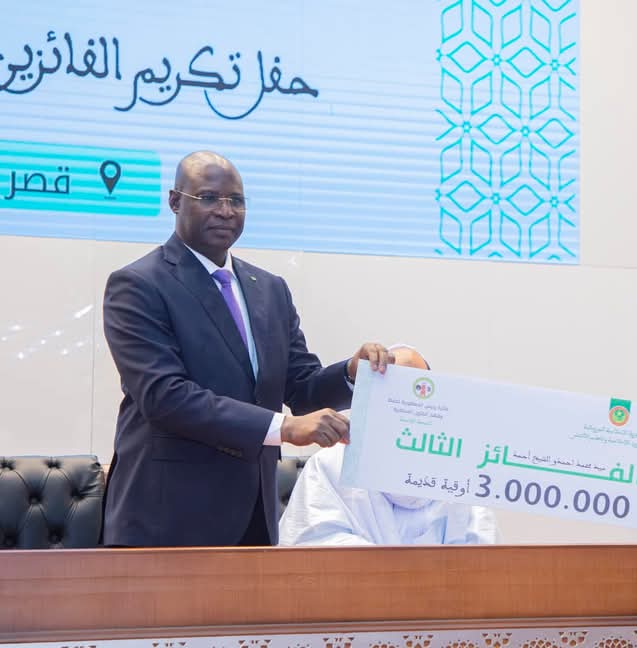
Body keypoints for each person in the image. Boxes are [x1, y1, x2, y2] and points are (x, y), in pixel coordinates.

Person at [101, 150, 394, 547]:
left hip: (253, 516)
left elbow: (301, 387)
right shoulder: (138, 284)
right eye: (208, 198)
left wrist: (351, 373)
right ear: (174, 201)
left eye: (236, 200)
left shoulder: (270, 289)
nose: (225, 211)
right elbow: (165, 396)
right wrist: (283, 428)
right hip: (166, 519)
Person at [278, 345, 499, 546]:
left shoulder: (460, 471)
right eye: (398, 389)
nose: (410, 403)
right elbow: (314, 546)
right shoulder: (330, 464)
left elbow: (481, 551)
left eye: (419, 389)